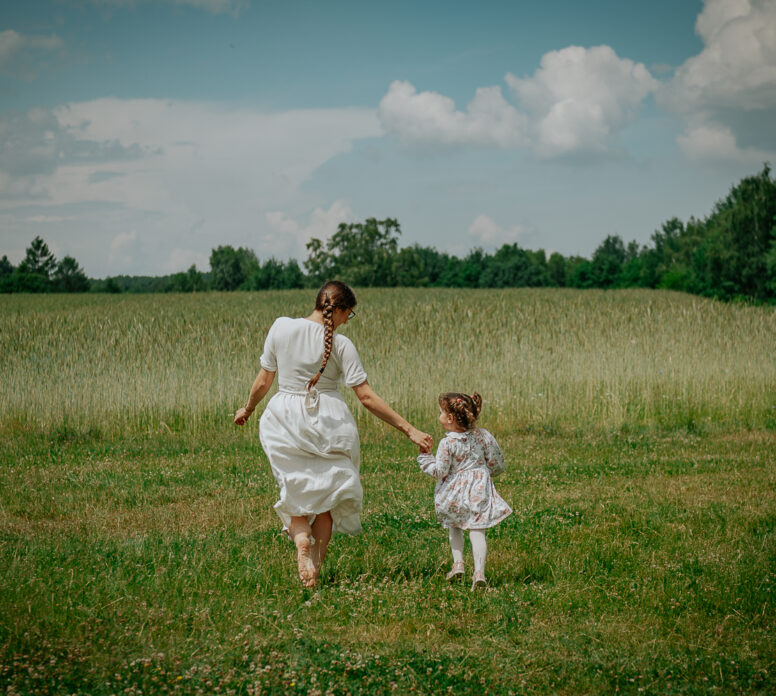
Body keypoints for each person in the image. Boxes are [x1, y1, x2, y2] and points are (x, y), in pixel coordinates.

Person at [234, 281, 433, 588]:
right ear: (339, 310)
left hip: (283, 420)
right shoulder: (342, 345)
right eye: (348, 314)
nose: (345, 321)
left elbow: (263, 380)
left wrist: (247, 409)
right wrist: (409, 429)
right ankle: (313, 566)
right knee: (327, 500)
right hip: (328, 423)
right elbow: (366, 397)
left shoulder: (281, 327)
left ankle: (301, 540)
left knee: (294, 493)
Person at [417, 392, 511, 590]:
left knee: (455, 524)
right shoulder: (483, 436)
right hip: (479, 488)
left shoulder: (447, 443)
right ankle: (479, 573)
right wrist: (485, 474)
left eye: (441, 412)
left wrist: (425, 458)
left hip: (454, 491)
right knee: (478, 530)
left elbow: (440, 471)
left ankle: (458, 563)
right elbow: (496, 462)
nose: (439, 416)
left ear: (450, 418)